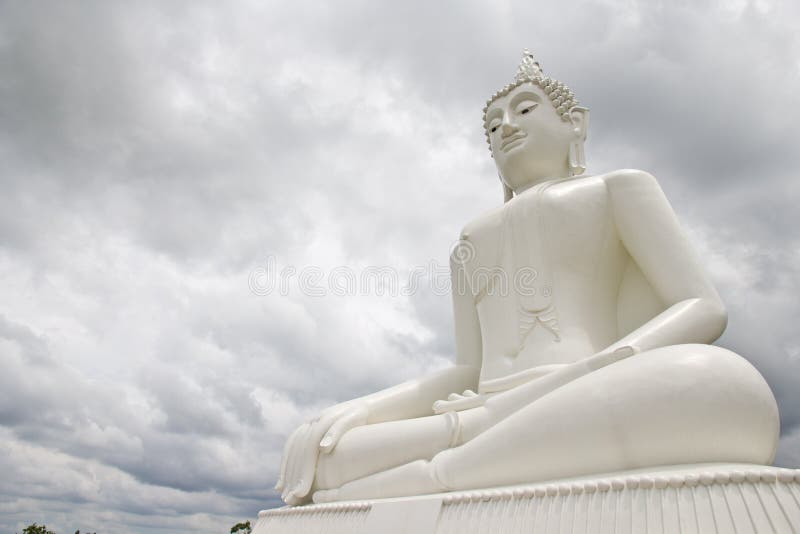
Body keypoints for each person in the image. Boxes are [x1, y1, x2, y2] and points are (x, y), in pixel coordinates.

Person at [274, 50, 779, 506]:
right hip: (479, 412)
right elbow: (467, 369)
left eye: (526, 109)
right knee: (328, 450)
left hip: (584, 391)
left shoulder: (618, 190)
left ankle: (434, 476)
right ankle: (447, 463)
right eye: (492, 127)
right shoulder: (469, 240)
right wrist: (362, 409)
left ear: (574, 124)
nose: (506, 128)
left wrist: (591, 371)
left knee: (721, 383)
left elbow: (702, 307)